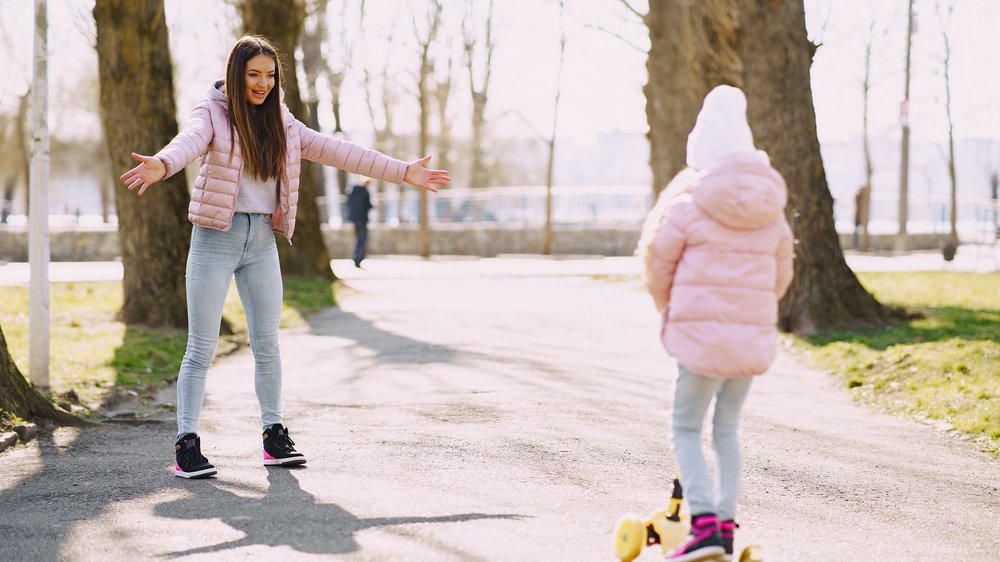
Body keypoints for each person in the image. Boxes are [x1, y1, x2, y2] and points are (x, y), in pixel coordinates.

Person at [119, 35, 449, 479]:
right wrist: (162, 163)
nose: (262, 84)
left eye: (270, 76)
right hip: (216, 236)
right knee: (201, 347)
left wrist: (401, 171)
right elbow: (189, 142)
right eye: (253, 75)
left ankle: (274, 436)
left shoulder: (284, 122)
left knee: (268, 344)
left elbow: (339, 151)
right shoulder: (212, 113)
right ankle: (186, 444)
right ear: (237, 75)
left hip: (261, 243)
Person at [637, 85, 793, 561]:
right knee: (727, 430)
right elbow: (782, 277)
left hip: (699, 341)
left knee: (685, 428)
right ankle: (723, 527)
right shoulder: (773, 211)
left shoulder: (686, 204)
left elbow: (658, 265)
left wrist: (670, 311)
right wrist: (750, 316)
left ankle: (701, 523)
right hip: (747, 343)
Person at [346, 180, 373, 268]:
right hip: (362, 218)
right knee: (362, 238)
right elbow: (367, 205)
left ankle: (356, 257)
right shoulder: (365, 192)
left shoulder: (352, 191)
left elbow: (348, 203)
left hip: (354, 218)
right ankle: (358, 258)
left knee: (358, 238)